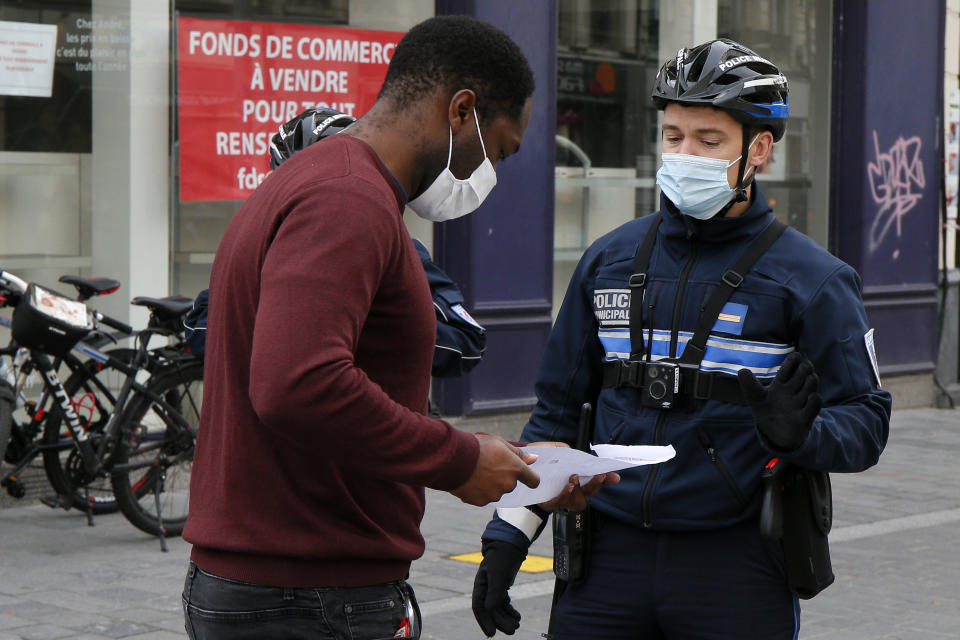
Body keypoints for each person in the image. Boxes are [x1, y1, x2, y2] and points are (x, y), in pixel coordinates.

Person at [472, 39, 892, 640]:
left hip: (736, 566)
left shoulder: (815, 281)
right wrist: (509, 535)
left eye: (708, 140)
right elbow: (558, 415)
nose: (684, 154)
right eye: (673, 137)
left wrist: (804, 436)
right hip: (606, 563)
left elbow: (868, 422)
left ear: (760, 150)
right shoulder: (608, 260)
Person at [181, 15, 570, 640]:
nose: (492, 173)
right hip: (306, 596)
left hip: (291, 585)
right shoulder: (348, 199)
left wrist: (500, 458)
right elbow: (299, 384)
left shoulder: (322, 182)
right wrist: (459, 458)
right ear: (461, 110)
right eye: (498, 150)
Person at [184, 107, 488, 377]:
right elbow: (201, 327)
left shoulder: (396, 248)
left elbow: (467, 342)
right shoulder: (259, 246)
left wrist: (360, 331)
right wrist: (289, 334)